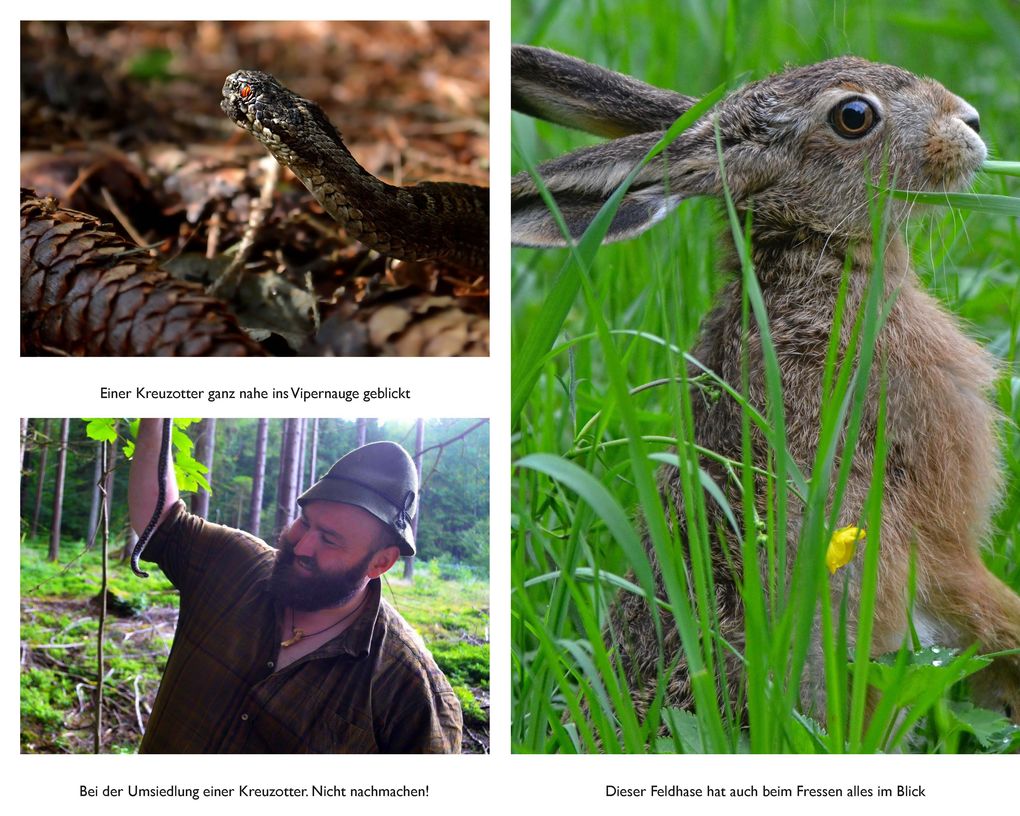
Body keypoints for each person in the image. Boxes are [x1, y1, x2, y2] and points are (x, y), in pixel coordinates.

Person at [128, 418, 462, 753]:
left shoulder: (407, 687)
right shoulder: (233, 564)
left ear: (381, 562)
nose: (302, 547)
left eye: (329, 540)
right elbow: (162, 523)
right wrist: (155, 414)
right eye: (305, 522)